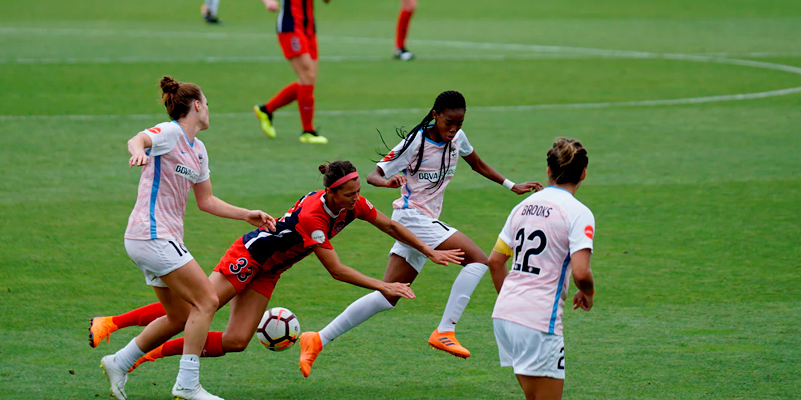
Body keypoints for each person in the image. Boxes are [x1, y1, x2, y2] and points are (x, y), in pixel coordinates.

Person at [90, 161, 464, 376]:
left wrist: (430, 251)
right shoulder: (315, 217)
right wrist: (384, 286)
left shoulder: (353, 204)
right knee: (195, 310)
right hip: (249, 257)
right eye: (348, 194)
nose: (356, 200)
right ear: (331, 192)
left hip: (269, 271)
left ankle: (152, 352)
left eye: (356, 193)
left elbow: (391, 226)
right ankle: (113, 324)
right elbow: (336, 270)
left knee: (236, 341)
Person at [297, 90, 544, 377]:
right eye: (448, 123)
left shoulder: (457, 140)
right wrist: (389, 182)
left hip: (425, 221)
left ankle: (316, 339)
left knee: (386, 297)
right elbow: (373, 175)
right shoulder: (414, 142)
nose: (453, 130)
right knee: (478, 260)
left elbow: (477, 164)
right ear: (435, 115)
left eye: (459, 124)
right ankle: (445, 330)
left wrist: (511, 185)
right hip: (411, 218)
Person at [98, 75, 278, 400]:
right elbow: (137, 139)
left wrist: (246, 214)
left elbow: (206, 201)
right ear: (196, 105)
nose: (209, 109)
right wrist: (139, 152)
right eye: (207, 104)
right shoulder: (170, 133)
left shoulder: (199, 150)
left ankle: (118, 362)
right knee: (207, 300)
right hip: (151, 235)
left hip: (156, 240)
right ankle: (187, 385)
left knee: (180, 316)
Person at [488, 138, 595, 400]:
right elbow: (581, 273)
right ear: (583, 174)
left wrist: (513, 300)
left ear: (548, 171)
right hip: (538, 321)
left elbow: (494, 261)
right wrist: (588, 292)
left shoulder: (522, 206)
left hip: (505, 315)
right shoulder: (578, 213)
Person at [253, 0, 330, 144]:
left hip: (309, 27)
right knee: (307, 76)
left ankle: (266, 110)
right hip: (291, 26)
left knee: (308, 79)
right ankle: (308, 131)